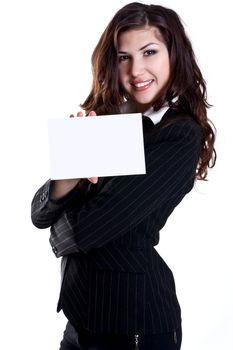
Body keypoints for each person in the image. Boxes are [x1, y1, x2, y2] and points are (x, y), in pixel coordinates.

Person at [31, 2, 216, 349]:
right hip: (80, 318)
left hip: (133, 326)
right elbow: (39, 214)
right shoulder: (106, 120)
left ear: (173, 55)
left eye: (149, 52)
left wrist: (62, 216)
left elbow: (89, 229)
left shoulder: (177, 134)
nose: (136, 69)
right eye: (123, 56)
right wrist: (64, 178)